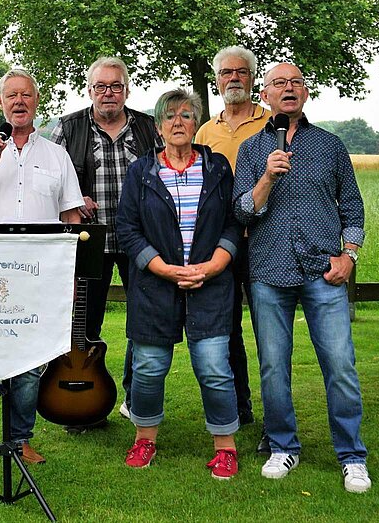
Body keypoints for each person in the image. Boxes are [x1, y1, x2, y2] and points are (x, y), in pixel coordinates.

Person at [232, 63, 371, 493]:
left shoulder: (330, 146)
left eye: (295, 83)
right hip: (269, 272)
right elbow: (242, 212)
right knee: (274, 367)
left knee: (340, 365)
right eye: (279, 84)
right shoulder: (254, 150)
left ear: (305, 93)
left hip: (324, 271)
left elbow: (353, 207)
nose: (288, 89)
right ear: (266, 96)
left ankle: (351, 456)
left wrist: (349, 255)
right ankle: (282, 446)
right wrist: (267, 179)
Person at [0, 67, 84, 473]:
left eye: (26, 95)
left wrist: (69, 275)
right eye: (11, 96)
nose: (19, 102)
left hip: (40, 274)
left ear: (36, 102)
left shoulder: (56, 155)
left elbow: (72, 218)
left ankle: (22, 440)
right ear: (0, 103)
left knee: (30, 361)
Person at [114, 88, 243, 480]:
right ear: (158, 126)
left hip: (211, 284)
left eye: (186, 116)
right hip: (155, 286)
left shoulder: (218, 167)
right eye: (170, 116)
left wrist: (215, 265)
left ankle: (225, 448)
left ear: (196, 124)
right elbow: (128, 229)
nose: (178, 123)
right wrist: (165, 270)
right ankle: (144, 438)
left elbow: (233, 223)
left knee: (214, 368)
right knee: (149, 368)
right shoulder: (141, 172)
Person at [49, 56, 160, 423]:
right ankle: (85, 401)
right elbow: (51, 179)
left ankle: (133, 398)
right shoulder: (69, 128)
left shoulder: (147, 127)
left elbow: (167, 174)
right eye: (101, 86)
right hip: (88, 239)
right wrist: (74, 197)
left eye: (115, 86)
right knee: (86, 325)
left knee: (142, 322)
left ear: (126, 90)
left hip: (139, 239)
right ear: (90, 90)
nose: (108, 93)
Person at [194, 45, 271, 430]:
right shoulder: (205, 131)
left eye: (241, 72)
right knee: (227, 328)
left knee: (267, 327)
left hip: (263, 240)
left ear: (252, 78)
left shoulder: (270, 123)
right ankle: (240, 405)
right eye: (226, 73)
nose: (234, 78)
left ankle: (276, 409)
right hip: (221, 244)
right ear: (217, 80)